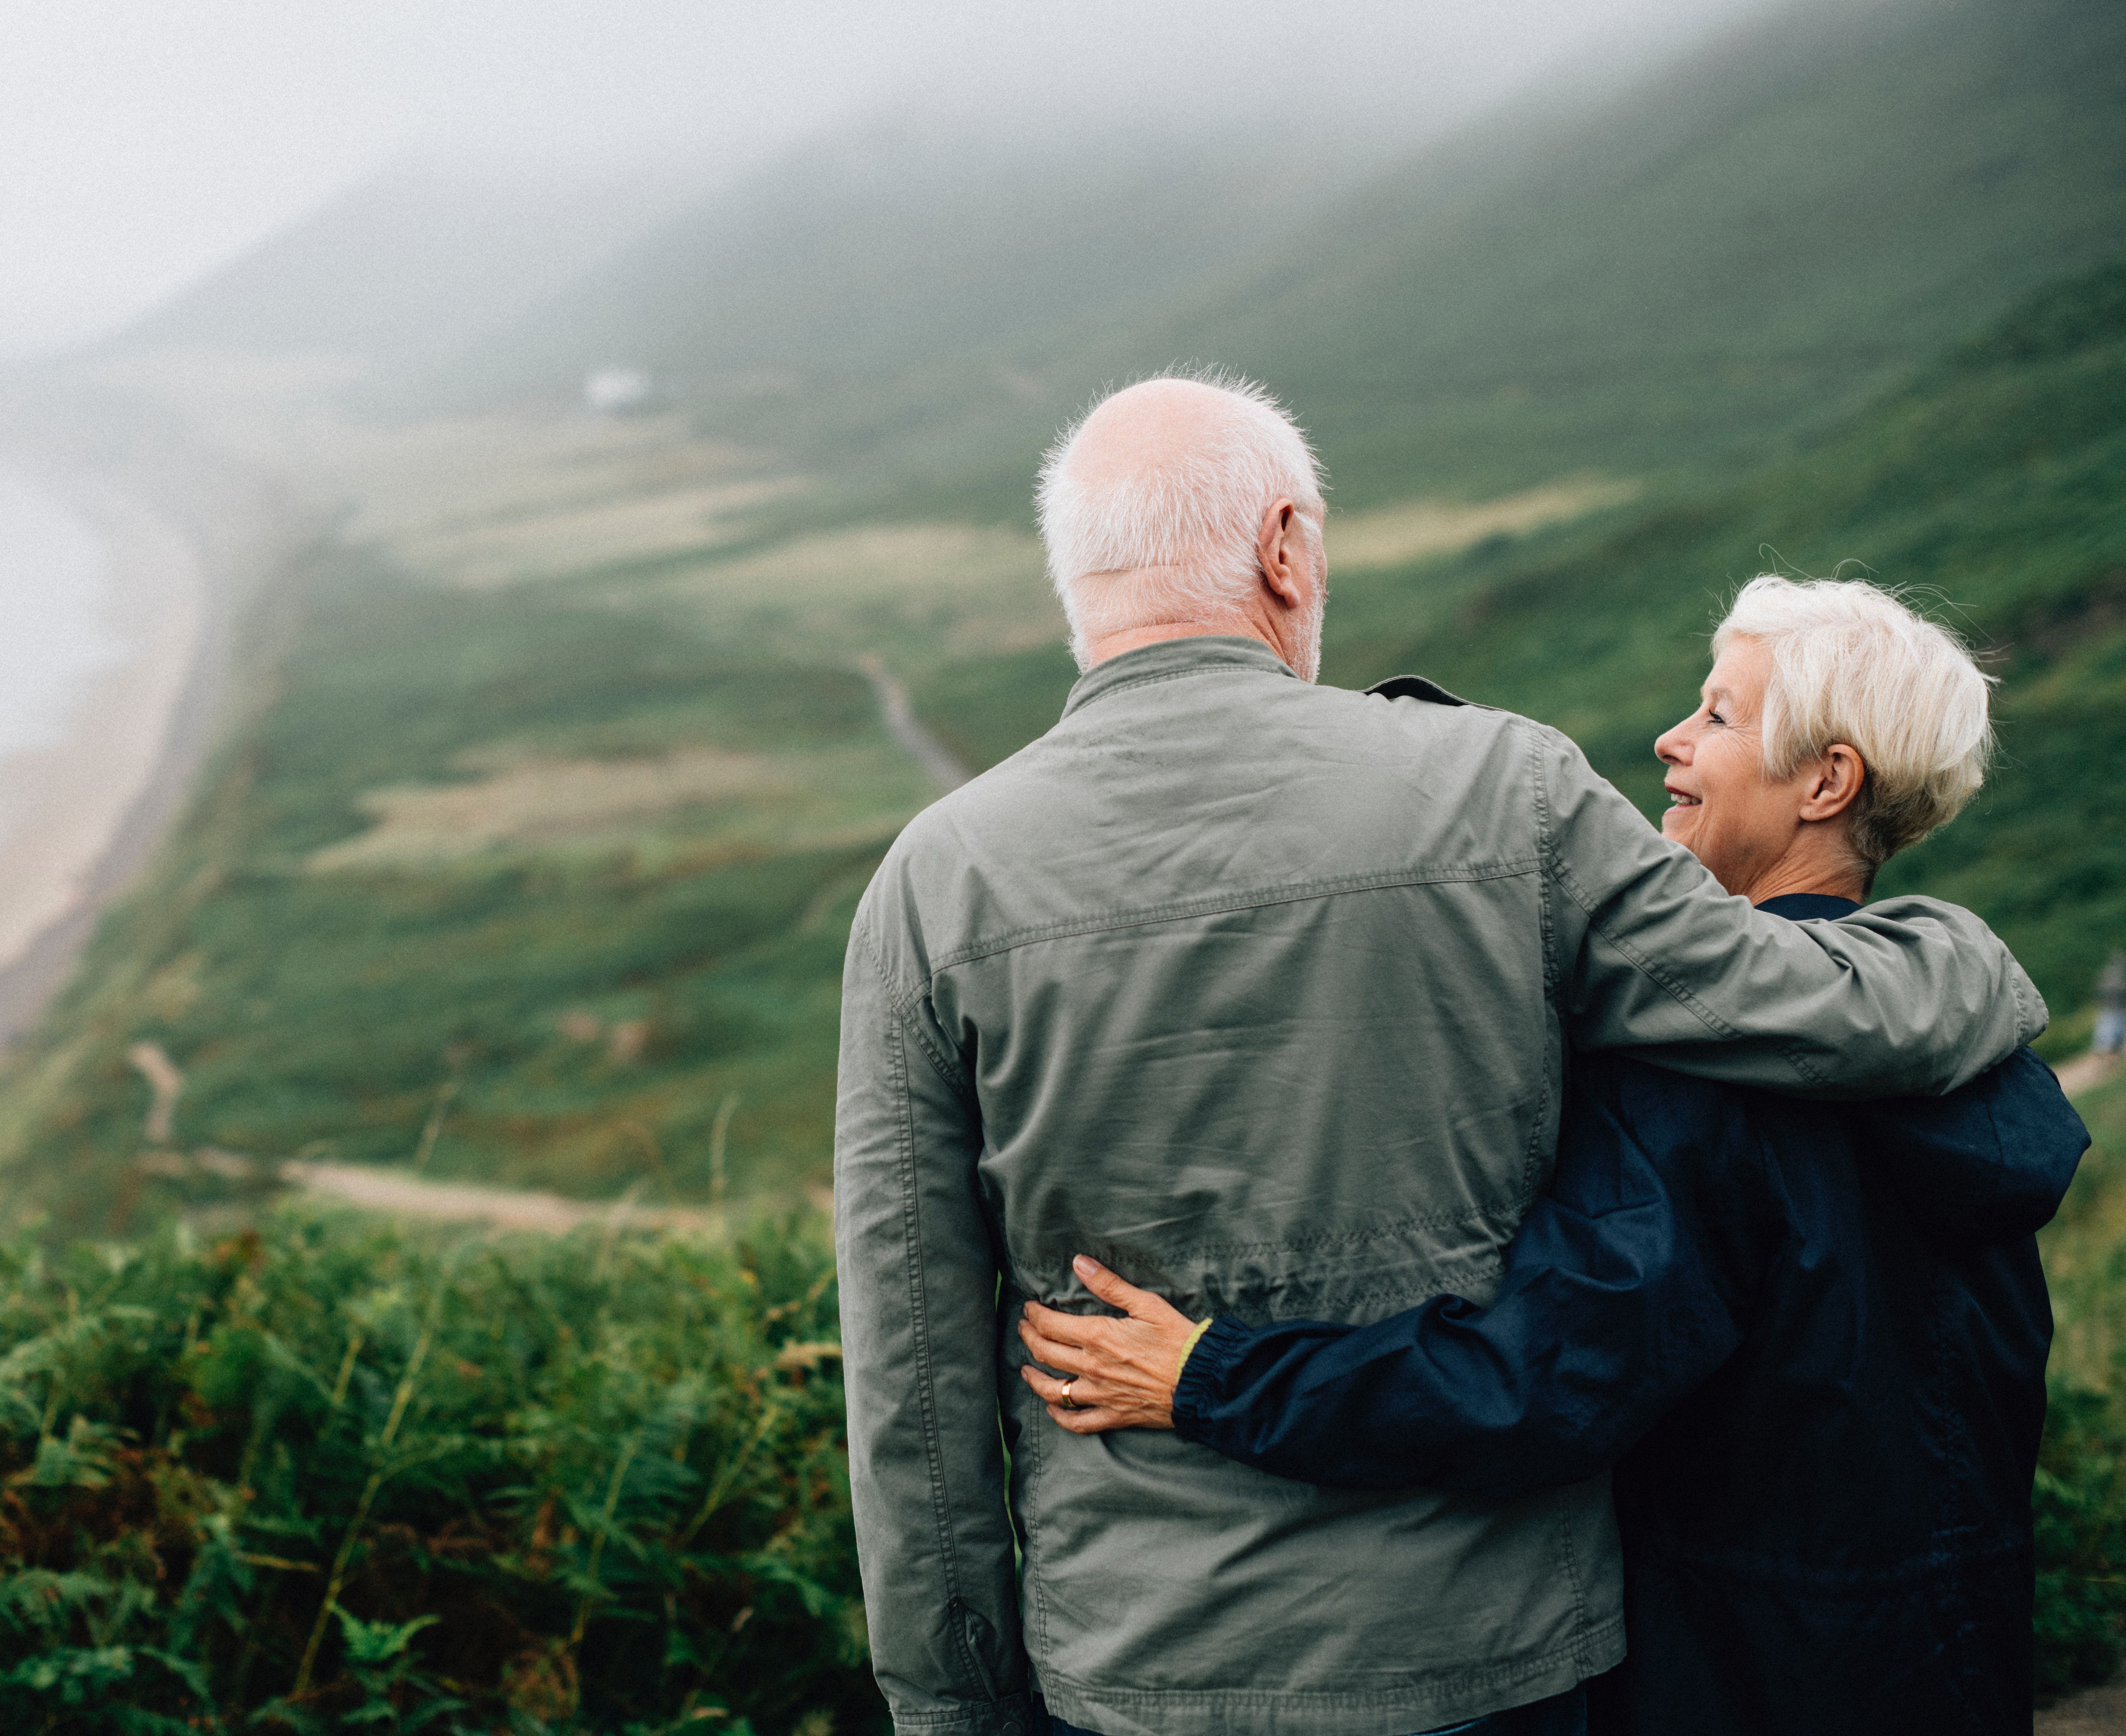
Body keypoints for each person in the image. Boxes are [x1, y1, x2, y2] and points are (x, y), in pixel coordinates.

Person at [834, 375, 2049, 1736]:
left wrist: (952, 1706)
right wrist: (1968, 957)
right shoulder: (1507, 791)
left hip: (1135, 1664)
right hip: (1502, 1658)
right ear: (1285, 546)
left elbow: (914, 1381)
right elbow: (1805, 1007)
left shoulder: (930, 886)